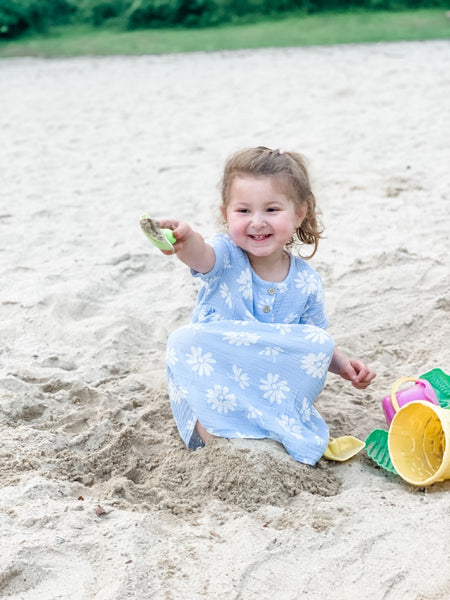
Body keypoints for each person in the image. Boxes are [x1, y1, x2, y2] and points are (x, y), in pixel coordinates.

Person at [158, 146, 375, 465]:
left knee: (320, 342)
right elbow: (201, 256)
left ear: (299, 213)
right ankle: (217, 439)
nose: (257, 222)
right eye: (243, 211)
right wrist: (186, 240)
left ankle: (271, 429)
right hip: (220, 376)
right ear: (225, 214)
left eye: (272, 210)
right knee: (183, 339)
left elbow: (309, 339)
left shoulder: (306, 281)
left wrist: (343, 365)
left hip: (269, 385)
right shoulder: (225, 255)